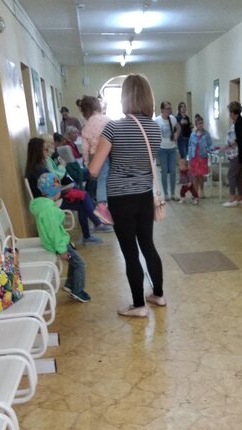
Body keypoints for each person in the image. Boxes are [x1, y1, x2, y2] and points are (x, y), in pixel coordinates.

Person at [88, 73, 165, 318]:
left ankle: (138, 305)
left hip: (120, 199)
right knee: (148, 245)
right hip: (144, 196)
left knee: (130, 251)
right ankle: (158, 295)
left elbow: (94, 169)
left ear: (125, 97)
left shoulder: (114, 127)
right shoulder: (155, 128)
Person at [25, 137, 112, 246]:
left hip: (47, 199)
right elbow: (52, 188)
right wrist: (64, 189)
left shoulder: (34, 168)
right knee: (83, 198)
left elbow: (51, 185)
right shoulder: (40, 170)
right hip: (50, 201)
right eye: (45, 149)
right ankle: (95, 227)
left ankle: (94, 228)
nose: (48, 152)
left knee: (82, 199)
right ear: (38, 151)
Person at [30, 172, 90, 302]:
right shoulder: (50, 211)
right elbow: (54, 233)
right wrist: (62, 250)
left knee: (74, 262)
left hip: (53, 242)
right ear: (55, 192)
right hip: (58, 244)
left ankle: (69, 285)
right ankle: (78, 290)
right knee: (80, 264)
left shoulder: (42, 205)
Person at [79, 95, 114, 225]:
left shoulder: (87, 125)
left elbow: (85, 148)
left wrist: (87, 162)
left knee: (101, 180)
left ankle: (102, 205)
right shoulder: (107, 120)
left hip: (95, 155)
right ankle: (104, 205)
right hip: (109, 152)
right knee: (109, 179)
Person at [155, 101, 180, 200]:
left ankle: (173, 193)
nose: (169, 110)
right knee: (164, 171)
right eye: (167, 108)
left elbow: (178, 128)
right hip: (162, 149)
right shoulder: (157, 120)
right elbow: (153, 133)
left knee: (173, 171)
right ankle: (165, 193)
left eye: (170, 108)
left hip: (172, 148)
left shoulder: (172, 119)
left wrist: (176, 135)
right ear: (162, 110)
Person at [222, 101, 242, 207]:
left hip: (236, 153)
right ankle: (240, 196)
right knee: (238, 176)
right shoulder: (236, 122)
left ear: (233, 112)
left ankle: (233, 197)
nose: (229, 114)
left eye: (230, 112)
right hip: (233, 153)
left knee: (230, 175)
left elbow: (239, 139)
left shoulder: (240, 123)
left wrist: (228, 146)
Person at [188, 114, 212, 198]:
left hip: (202, 157)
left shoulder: (206, 134)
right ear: (196, 125)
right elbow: (190, 146)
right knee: (194, 175)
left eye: (202, 123)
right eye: (199, 123)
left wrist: (209, 150)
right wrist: (189, 158)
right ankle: (195, 192)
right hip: (194, 157)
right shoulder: (192, 134)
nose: (201, 125)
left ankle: (202, 191)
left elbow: (210, 144)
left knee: (201, 175)